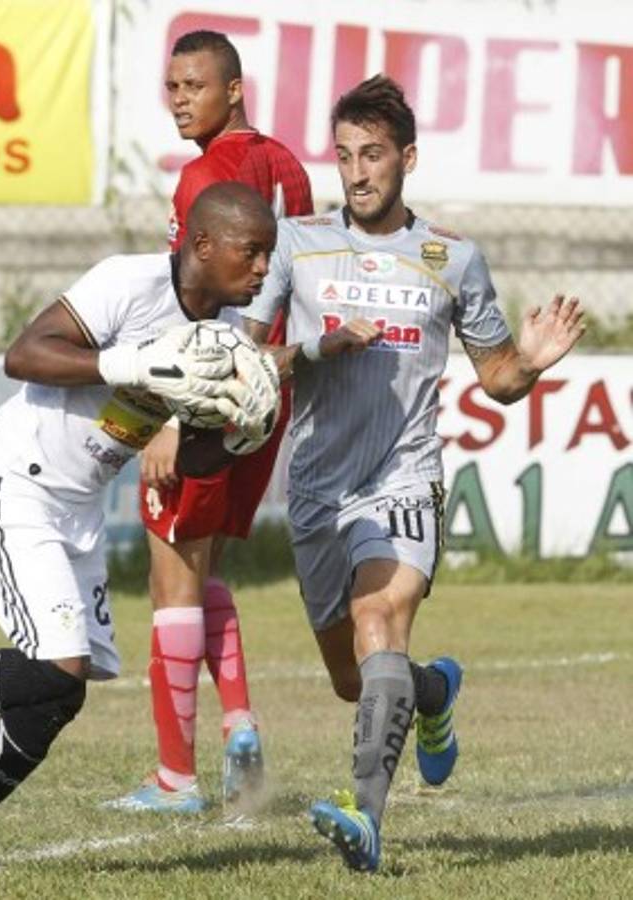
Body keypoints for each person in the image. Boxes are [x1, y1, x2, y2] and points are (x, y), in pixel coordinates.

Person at [0, 182, 280, 871]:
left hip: (78, 511)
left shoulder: (219, 340)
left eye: (269, 255)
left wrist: (241, 439)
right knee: (56, 665)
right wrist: (126, 361)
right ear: (203, 245)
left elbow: (185, 454)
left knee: (59, 696)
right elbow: (25, 353)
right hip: (13, 485)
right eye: (253, 252)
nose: (265, 269)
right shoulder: (127, 282)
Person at [243, 75, 585, 872]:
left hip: (404, 481)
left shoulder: (452, 258)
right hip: (317, 493)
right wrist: (315, 349)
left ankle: (367, 823)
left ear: (408, 158)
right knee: (355, 680)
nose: (357, 172)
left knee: (379, 622)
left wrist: (528, 364)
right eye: (345, 157)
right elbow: (246, 357)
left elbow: (496, 375)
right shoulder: (298, 244)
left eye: (373, 155)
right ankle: (433, 695)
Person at [107, 29, 314, 815]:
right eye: (171, 87)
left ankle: (175, 779)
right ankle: (237, 729)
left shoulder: (207, 176)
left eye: (193, 85)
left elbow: (202, 307)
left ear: (234, 89)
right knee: (202, 568)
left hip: (213, 393)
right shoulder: (286, 163)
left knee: (171, 580)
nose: (178, 100)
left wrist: (169, 418)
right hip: (269, 391)